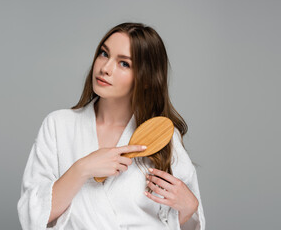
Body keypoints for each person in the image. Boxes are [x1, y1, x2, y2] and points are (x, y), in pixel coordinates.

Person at [17, 22, 205, 230]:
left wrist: (189, 207)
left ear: (146, 79)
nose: (105, 68)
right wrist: (82, 169)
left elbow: (171, 222)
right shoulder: (58, 126)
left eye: (124, 63)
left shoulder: (161, 137)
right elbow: (32, 215)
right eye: (104, 54)